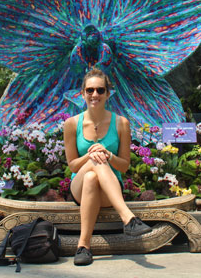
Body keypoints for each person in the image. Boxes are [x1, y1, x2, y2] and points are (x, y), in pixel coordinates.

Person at [64, 68, 152, 266]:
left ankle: (83, 246)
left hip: (109, 190)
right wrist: (90, 155)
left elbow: (124, 166)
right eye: (90, 90)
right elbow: (72, 165)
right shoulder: (71, 124)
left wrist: (109, 154)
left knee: (92, 177)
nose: (95, 95)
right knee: (93, 166)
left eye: (100, 90)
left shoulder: (121, 123)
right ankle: (128, 218)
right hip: (78, 186)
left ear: (108, 93)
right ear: (82, 93)